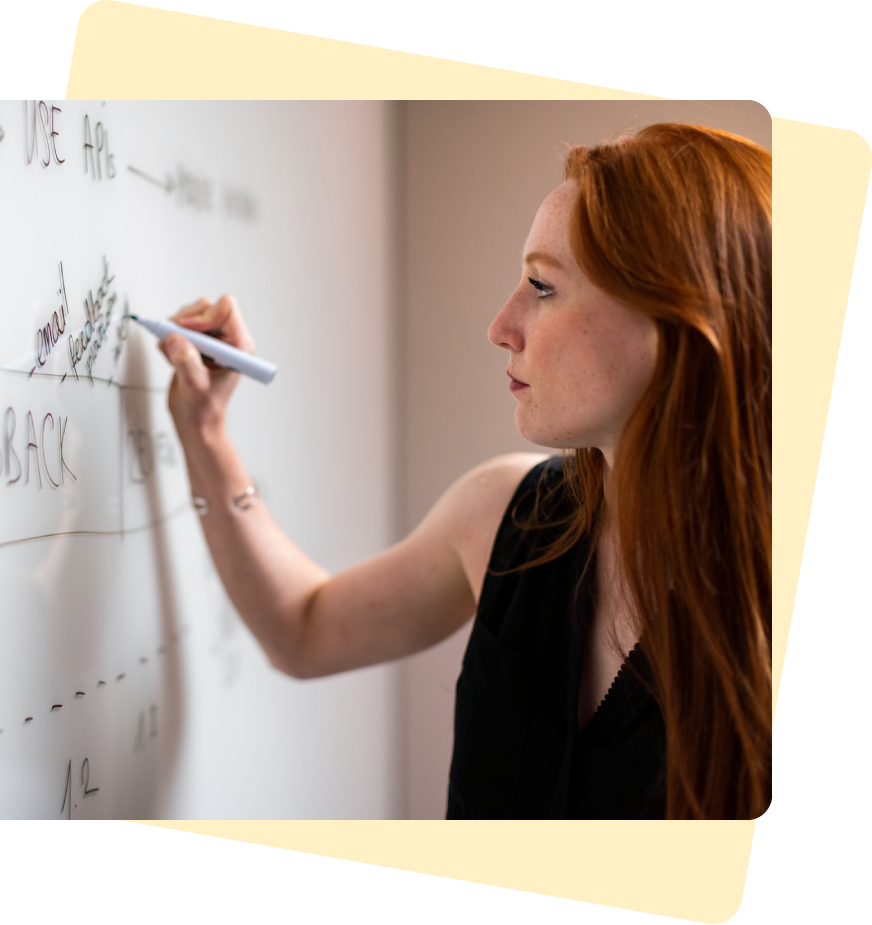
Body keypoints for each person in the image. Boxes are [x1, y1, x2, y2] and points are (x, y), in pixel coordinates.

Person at [157, 122, 771, 820]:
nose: (501, 325)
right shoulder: (507, 514)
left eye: (542, 286)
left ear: (675, 322)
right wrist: (206, 434)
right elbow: (302, 628)